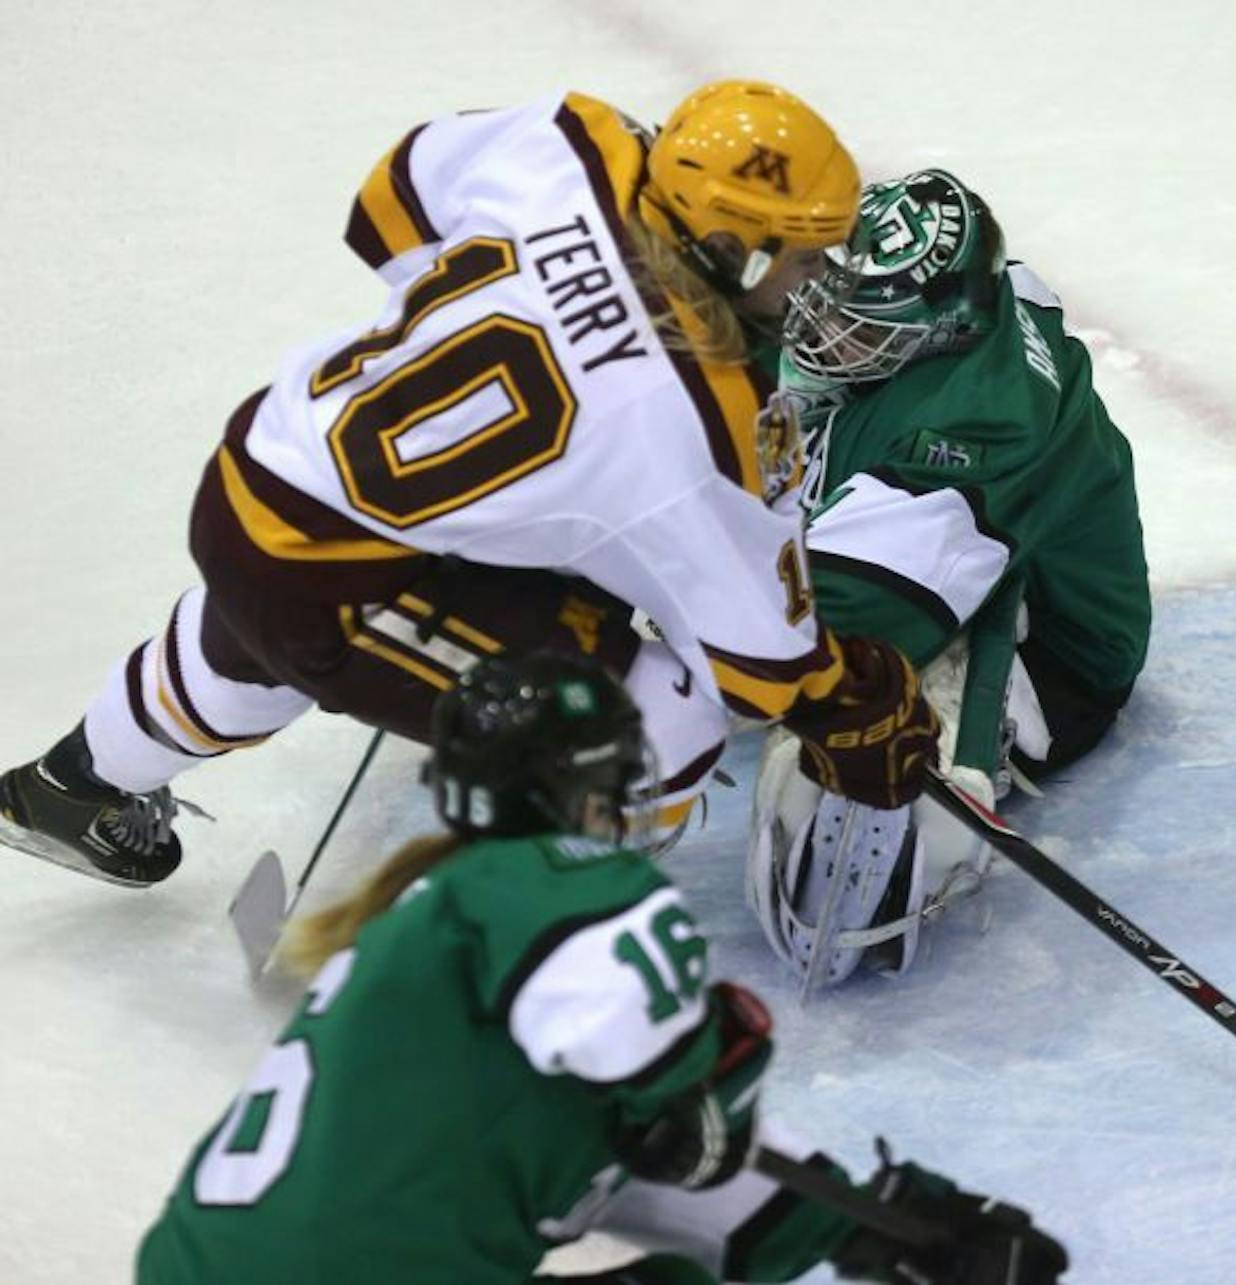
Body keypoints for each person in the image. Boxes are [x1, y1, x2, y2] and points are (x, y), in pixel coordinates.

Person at [0, 81, 937, 890]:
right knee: (660, 731)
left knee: (257, 625)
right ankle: (483, 962)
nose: (816, 280)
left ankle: (76, 781)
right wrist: (855, 705)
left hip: (265, 466)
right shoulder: (702, 419)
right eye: (807, 256)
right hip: (344, 585)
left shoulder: (573, 141)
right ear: (739, 249)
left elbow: (390, 202)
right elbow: (759, 662)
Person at [136, 653, 1068, 1285]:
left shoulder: (434, 947)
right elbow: (659, 1077)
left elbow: (687, 1172)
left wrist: (889, 1221)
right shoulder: (552, 893)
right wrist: (711, 1070)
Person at [744, 169, 1151, 986]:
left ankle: (953, 783)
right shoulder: (936, 313)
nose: (821, 332)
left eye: (854, 325)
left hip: (1044, 635)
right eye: (828, 299)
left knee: (848, 785)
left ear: (935, 335)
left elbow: (843, 618)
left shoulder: (978, 424)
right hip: (952, 540)